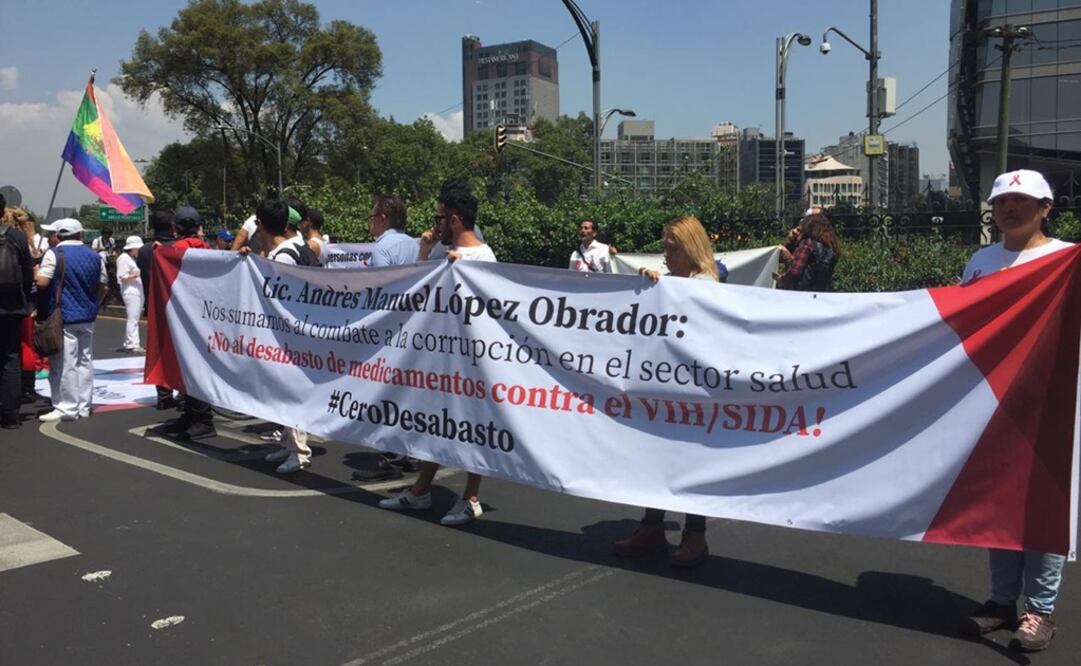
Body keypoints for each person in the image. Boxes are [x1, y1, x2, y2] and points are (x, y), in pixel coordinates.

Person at [958, 169, 1074, 653]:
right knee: (1000, 505)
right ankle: (1001, 601)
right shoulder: (981, 261)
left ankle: (1040, 611)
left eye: (1022, 200)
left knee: (1042, 510)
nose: (1010, 208)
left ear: (1045, 207)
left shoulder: (1067, 259)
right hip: (993, 405)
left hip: (1051, 406)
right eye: (1002, 200)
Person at [380, 178, 495, 526]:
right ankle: (421, 490)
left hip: (471, 363)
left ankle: (470, 497)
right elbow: (419, 293)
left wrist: (461, 268)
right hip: (441, 358)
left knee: (473, 428)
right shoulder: (444, 255)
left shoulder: (482, 256)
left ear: (455, 220)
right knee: (436, 425)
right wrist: (424, 255)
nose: (435, 225)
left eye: (440, 218)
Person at [617, 216, 719, 567]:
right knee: (658, 460)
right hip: (665, 388)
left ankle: (695, 536)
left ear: (691, 250)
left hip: (692, 393)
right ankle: (652, 526)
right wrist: (652, 289)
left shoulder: (706, 285)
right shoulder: (675, 282)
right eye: (664, 248)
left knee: (687, 465)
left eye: (671, 249)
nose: (665, 255)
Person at [352, 195, 421, 483]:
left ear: (384, 219)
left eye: (372, 216)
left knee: (383, 393)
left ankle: (390, 458)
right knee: (407, 393)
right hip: (414, 327)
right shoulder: (415, 245)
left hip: (387, 331)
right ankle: (410, 452)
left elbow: (377, 292)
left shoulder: (384, 248)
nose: (369, 221)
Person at [243, 198, 313, 474]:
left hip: (290, 334)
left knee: (290, 391)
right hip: (300, 330)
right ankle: (287, 443)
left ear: (259, 225)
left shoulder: (283, 256)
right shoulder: (296, 247)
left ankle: (299, 451)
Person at [148, 208, 216, 440]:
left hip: (182, 319)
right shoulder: (209, 251)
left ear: (175, 228)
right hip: (206, 317)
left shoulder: (172, 251)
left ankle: (202, 419)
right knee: (196, 366)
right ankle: (192, 414)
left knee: (188, 366)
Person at [35, 218, 106, 422]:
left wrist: (34, 271)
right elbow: (103, 285)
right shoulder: (95, 255)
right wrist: (94, 304)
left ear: (59, 235)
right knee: (85, 361)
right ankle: (84, 405)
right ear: (80, 235)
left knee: (64, 362)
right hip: (87, 315)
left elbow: (42, 282)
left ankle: (66, 407)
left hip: (63, 315)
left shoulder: (55, 254)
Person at [0, 197, 34, 429]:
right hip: (11, 306)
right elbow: (27, 274)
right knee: (10, 359)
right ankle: (11, 415)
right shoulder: (17, 237)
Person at [139, 210, 178, 409]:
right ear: (173, 226)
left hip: (154, 307)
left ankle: (164, 395)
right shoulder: (177, 248)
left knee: (159, 351)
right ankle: (186, 393)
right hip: (178, 309)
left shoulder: (145, 251)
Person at [776, 212, 841, 291]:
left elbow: (794, 272)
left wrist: (782, 278)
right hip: (820, 295)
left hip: (801, 293)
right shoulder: (831, 248)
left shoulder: (807, 243)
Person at [116, 236, 145, 354]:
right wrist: (136, 275)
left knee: (134, 318)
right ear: (132, 248)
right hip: (131, 291)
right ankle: (132, 344)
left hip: (136, 290)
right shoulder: (124, 258)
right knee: (133, 318)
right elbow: (122, 276)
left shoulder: (130, 258)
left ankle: (128, 342)